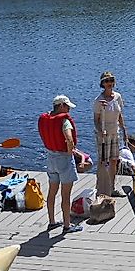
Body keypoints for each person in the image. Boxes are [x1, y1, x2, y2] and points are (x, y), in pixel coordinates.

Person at [38, 95, 82, 234]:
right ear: (61, 105)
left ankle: (51, 222)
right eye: (67, 106)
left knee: (52, 192)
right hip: (63, 159)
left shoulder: (45, 118)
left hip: (51, 157)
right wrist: (71, 152)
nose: (69, 109)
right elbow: (69, 139)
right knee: (66, 194)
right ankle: (67, 225)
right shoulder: (64, 121)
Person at [93, 71, 128, 198]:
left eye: (111, 80)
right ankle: (102, 189)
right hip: (104, 134)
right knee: (103, 162)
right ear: (102, 83)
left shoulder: (117, 97)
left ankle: (112, 188)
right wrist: (100, 130)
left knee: (114, 160)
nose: (110, 83)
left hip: (115, 132)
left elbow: (119, 115)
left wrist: (124, 130)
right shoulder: (99, 100)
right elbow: (96, 120)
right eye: (107, 81)